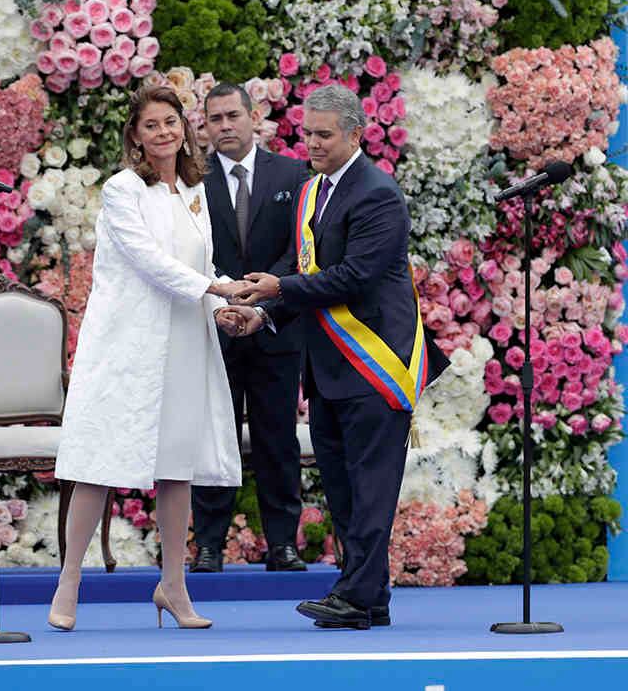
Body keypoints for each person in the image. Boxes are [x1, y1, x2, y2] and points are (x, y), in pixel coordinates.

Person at [224, 84, 449, 629]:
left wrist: (278, 289)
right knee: (344, 488)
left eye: (324, 135)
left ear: (356, 135)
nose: (314, 144)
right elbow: (301, 269)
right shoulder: (312, 191)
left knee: (371, 488)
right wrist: (263, 313)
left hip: (374, 363)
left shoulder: (378, 193)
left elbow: (354, 277)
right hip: (327, 367)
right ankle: (368, 595)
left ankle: (355, 594)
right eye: (308, 134)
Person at [50, 85, 245, 631]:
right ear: (135, 136)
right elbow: (149, 262)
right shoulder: (122, 189)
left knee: (177, 471)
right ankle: (69, 581)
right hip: (128, 346)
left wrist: (228, 307)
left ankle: (173, 586)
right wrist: (216, 289)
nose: (163, 132)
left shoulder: (194, 190)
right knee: (98, 465)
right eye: (151, 125)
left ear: (184, 128)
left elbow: (202, 268)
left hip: (184, 344)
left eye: (171, 122)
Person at [190, 83, 311, 574]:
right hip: (215, 326)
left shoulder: (293, 174)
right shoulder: (192, 180)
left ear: (253, 116)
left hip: (275, 327)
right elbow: (190, 250)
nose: (224, 126)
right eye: (214, 118)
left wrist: (263, 297)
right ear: (205, 125)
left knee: (277, 439)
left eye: (232, 116)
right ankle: (208, 546)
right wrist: (226, 296)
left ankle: (283, 545)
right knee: (212, 438)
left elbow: (300, 248)